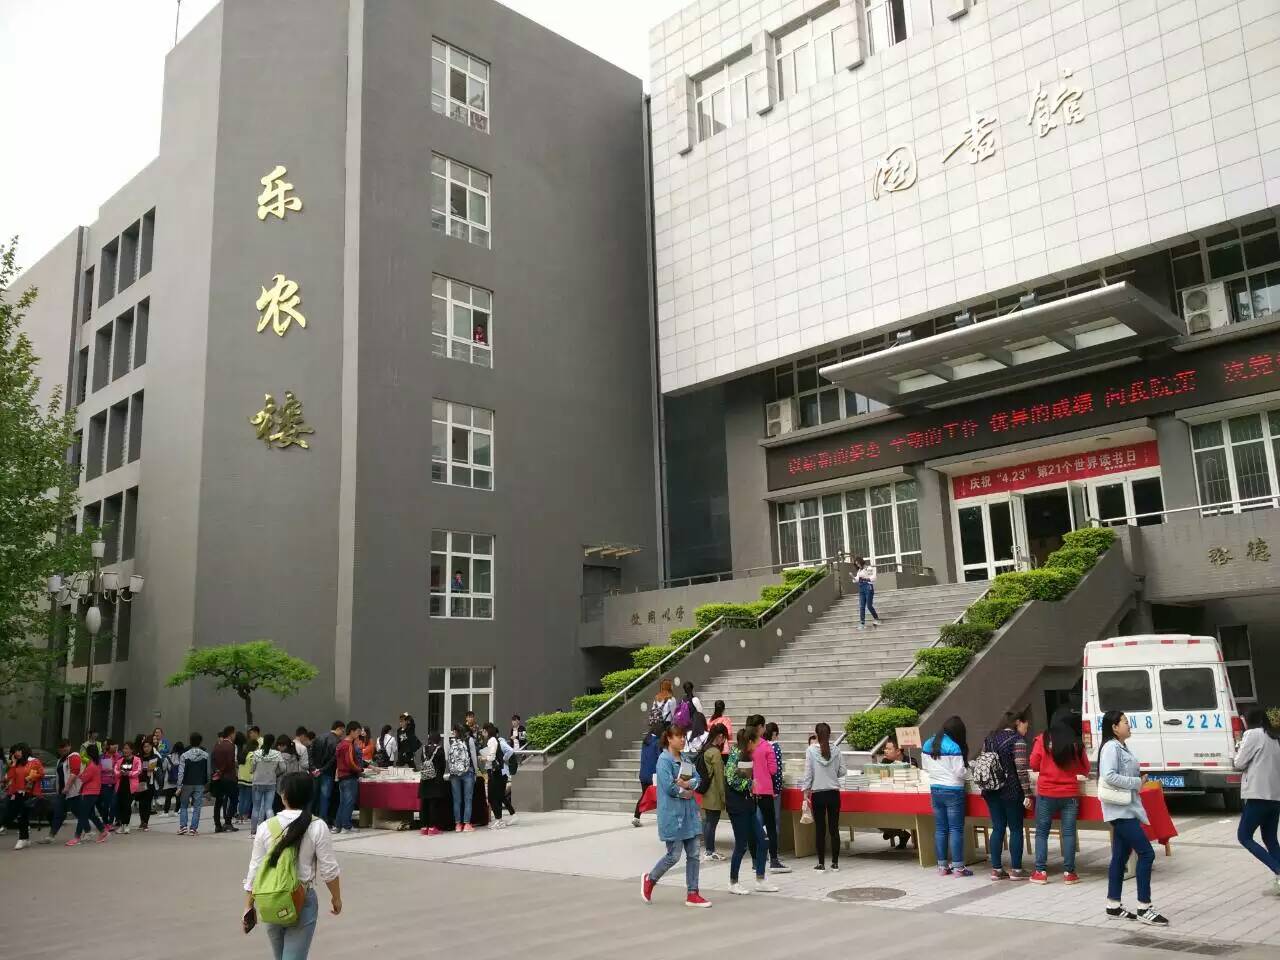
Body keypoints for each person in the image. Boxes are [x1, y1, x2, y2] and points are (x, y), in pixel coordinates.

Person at [243, 772, 342, 959]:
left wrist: (248, 906)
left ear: (283, 795)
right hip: (301, 898)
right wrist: (336, 898)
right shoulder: (318, 826)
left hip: (269, 897)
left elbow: (254, 869)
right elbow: (329, 870)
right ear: (310, 797)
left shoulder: (265, 827)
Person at [1098, 710, 1168, 925]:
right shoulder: (1111, 747)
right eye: (1125, 722)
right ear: (1114, 727)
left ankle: (1113, 905)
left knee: (1120, 857)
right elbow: (1108, 775)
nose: (1129, 725)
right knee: (1146, 853)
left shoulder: (1121, 746)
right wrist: (1136, 783)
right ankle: (1144, 907)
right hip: (1120, 811)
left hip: (1126, 809)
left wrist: (1138, 780)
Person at [640, 725, 710, 908]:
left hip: (690, 814)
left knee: (694, 854)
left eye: (683, 736)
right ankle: (650, 879)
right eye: (678, 736)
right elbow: (669, 787)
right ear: (669, 739)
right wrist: (685, 790)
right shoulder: (664, 760)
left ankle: (693, 893)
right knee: (674, 855)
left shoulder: (686, 758)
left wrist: (687, 784)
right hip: (673, 815)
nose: (682, 739)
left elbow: (698, 779)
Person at [1029, 707, 1089, 884]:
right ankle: (1069, 873)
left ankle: (1040, 872)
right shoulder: (1075, 743)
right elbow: (1085, 768)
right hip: (1070, 794)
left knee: (1042, 833)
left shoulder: (1042, 739)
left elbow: (1034, 763)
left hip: (1046, 793)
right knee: (1069, 833)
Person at [723, 728, 777, 895]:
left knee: (763, 840)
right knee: (741, 845)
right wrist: (749, 784)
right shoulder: (735, 755)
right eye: (756, 742)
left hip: (749, 805)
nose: (757, 745)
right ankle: (733, 882)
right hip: (737, 807)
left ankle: (760, 879)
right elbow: (731, 780)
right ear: (749, 742)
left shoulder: (747, 756)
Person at [981, 708, 1033, 880]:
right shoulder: (1017, 740)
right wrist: (1027, 793)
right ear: (1018, 722)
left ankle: (996, 869)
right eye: (1026, 725)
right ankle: (1016, 870)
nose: (1026, 729)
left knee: (997, 828)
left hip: (991, 790)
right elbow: (1021, 769)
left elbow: (984, 763)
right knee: (1016, 829)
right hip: (1011, 790)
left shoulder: (990, 738)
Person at [1234, 707, 1280, 892]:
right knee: (1270, 839)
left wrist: (1238, 748)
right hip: (1275, 797)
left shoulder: (1252, 734)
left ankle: (1278, 870)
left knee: (1244, 836)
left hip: (1257, 795)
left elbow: (1239, 763)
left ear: (1248, 720)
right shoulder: (1274, 737)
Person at [922, 716, 970, 877]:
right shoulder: (954, 746)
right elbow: (959, 772)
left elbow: (926, 767)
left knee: (941, 828)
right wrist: (969, 773)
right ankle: (958, 868)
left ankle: (942, 866)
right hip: (953, 790)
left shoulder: (928, 743)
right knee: (955, 829)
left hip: (935, 789)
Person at [801, 722, 848, 871]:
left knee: (820, 830)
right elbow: (843, 771)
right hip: (833, 793)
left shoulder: (810, 750)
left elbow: (808, 773)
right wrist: (832, 774)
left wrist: (805, 791)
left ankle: (821, 863)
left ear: (816, 734)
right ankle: (835, 863)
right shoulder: (836, 750)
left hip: (818, 794)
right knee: (834, 829)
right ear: (829, 734)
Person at [750, 715, 789, 873]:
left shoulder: (747, 745)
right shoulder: (767, 746)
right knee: (771, 825)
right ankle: (773, 859)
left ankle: (755, 860)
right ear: (760, 727)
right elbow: (773, 770)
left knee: (754, 823)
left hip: (750, 790)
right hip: (765, 789)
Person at [876, 737, 917, 849]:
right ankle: (897, 832)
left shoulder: (910, 761)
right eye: (885, 749)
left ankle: (893, 830)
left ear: (898, 751)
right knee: (874, 812)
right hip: (888, 798)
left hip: (906, 799)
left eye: (889, 749)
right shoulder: (885, 761)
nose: (885, 751)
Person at [3, 744, 44, 849]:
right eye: (15, 752)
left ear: (24, 751)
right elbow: (9, 776)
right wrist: (13, 764)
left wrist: (32, 777)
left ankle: (23, 839)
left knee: (22, 815)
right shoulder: (17, 763)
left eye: (18, 751)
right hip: (16, 793)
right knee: (15, 815)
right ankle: (24, 838)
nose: (16, 753)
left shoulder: (34, 761)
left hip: (28, 793)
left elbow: (41, 774)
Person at [67, 742, 108, 845]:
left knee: (82, 815)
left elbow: (83, 778)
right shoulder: (95, 764)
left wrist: (80, 774)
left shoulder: (91, 766)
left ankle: (77, 837)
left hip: (90, 792)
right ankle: (103, 831)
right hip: (92, 792)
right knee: (90, 814)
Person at [700, 724, 728, 860]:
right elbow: (719, 777)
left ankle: (708, 850)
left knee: (708, 822)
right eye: (724, 738)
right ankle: (710, 851)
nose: (724, 741)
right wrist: (724, 797)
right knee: (712, 823)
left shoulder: (705, 748)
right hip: (714, 792)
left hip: (706, 791)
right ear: (720, 736)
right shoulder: (715, 753)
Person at [45, 739, 81, 843]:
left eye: (65, 746)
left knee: (79, 813)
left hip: (73, 792)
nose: (63, 749)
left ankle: (89, 831)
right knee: (58, 813)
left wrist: (67, 787)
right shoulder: (60, 760)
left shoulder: (74, 756)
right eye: (61, 747)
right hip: (62, 792)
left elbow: (74, 773)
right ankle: (51, 835)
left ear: (69, 746)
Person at [481, 723, 515, 828]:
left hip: (496, 772)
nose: (482, 733)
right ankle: (499, 820)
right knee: (496, 796)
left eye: (483, 731)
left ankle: (499, 820)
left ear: (487, 731)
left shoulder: (492, 740)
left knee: (494, 797)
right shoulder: (493, 740)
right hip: (496, 772)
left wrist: (484, 758)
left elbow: (491, 757)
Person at [763, 721, 787, 870]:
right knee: (774, 821)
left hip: (762, 789)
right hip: (773, 790)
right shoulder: (775, 748)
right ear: (774, 734)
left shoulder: (761, 746)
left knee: (763, 820)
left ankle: (763, 849)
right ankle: (773, 851)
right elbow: (776, 771)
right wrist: (777, 788)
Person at [176, 734, 210, 836]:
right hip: (200, 783)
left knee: (184, 805)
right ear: (200, 742)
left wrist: (179, 786)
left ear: (190, 741)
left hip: (187, 783)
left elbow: (181, 772)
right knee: (197, 807)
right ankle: (193, 829)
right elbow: (208, 772)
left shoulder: (184, 755)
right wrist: (207, 783)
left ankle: (183, 826)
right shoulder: (205, 755)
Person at [447, 722, 479, 832]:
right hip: (468, 772)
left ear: (455, 731)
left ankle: (457, 825)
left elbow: (449, 757)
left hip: (454, 774)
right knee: (467, 799)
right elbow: (473, 756)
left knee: (457, 800)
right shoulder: (469, 740)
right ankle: (466, 824)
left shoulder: (451, 741)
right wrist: (476, 771)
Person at [309, 721, 343, 825]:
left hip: (315, 772)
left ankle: (310, 818)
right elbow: (334, 759)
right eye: (342, 730)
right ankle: (322, 820)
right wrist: (323, 769)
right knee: (325, 797)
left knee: (314, 796)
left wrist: (314, 768)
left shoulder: (318, 738)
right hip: (327, 773)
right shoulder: (338, 741)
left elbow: (310, 754)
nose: (342, 733)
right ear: (338, 728)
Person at [250, 734, 285, 833]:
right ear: (273, 742)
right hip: (271, 782)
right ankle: (272, 831)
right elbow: (283, 768)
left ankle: (253, 831)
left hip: (257, 782)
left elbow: (252, 768)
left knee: (256, 808)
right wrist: (275, 773)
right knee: (269, 808)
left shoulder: (256, 753)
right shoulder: (277, 754)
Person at [416, 734, 449, 835]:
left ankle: (423, 827)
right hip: (435, 780)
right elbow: (442, 766)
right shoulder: (439, 749)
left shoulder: (424, 749)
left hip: (424, 780)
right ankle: (432, 827)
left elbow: (422, 761)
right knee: (433, 804)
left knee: (424, 803)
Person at [632, 720, 664, 827]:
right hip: (653, 775)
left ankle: (636, 817)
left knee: (644, 796)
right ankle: (662, 817)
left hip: (643, 774)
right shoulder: (658, 742)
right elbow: (660, 758)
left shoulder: (646, 740)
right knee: (661, 796)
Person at [334, 721, 364, 834]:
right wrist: (359, 769)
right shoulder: (349, 745)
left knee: (342, 802)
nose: (358, 734)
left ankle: (338, 826)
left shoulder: (340, 744)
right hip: (349, 776)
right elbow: (350, 762)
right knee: (349, 802)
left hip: (341, 776)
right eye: (357, 731)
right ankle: (346, 826)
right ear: (351, 731)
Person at [211, 725, 240, 833]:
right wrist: (224, 771)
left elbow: (213, 760)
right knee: (234, 799)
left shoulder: (217, 745)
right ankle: (228, 822)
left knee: (218, 801)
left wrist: (217, 771)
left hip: (218, 777)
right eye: (234, 733)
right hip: (229, 776)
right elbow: (230, 762)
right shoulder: (231, 746)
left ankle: (217, 825)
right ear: (231, 734)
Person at [113, 741, 142, 833]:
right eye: (124, 748)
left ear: (131, 750)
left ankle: (127, 824)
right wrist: (120, 773)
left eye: (127, 748)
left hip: (130, 786)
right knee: (120, 805)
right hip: (120, 785)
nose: (125, 750)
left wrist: (129, 773)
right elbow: (115, 770)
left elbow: (138, 771)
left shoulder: (137, 760)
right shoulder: (120, 760)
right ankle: (121, 824)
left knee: (127, 805)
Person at [136, 739, 160, 831]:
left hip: (150, 782)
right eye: (145, 747)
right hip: (141, 782)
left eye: (148, 746)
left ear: (151, 747)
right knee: (141, 802)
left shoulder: (155, 757)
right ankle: (142, 821)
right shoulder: (139, 757)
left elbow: (160, 767)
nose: (146, 748)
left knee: (147, 802)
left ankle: (146, 822)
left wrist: (154, 769)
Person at [853, 556, 881, 628]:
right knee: (861, 606)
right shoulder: (859, 571)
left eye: (858, 563)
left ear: (861, 562)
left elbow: (873, 577)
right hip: (861, 588)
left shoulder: (868, 568)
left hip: (868, 587)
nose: (858, 565)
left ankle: (876, 618)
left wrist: (865, 579)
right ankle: (862, 623)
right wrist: (854, 578)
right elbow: (857, 579)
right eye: (856, 564)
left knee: (869, 605)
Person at [237, 730, 257, 824]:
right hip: (249, 779)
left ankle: (240, 816)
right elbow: (253, 767)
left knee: (241, 798)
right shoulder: (252, 755)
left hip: (241, 779)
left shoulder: (243, 754)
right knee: (248, 799)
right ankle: (245, 816)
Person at [98, 739, 119, 827]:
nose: (114, 746)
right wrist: (106, 769)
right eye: (112, 745)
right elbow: (98, 768)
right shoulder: (102, 757)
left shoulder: (118, 756)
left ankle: (111, 821)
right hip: (105, 783)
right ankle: (105, 821)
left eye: (115, 745)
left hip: (116, 782)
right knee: (105, 803)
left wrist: (115, 769)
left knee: (114, 803)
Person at [161, 740, 185, 814]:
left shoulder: (168, 757)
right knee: (179, 797)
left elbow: (163, 768)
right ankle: (176, 811)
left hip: (169, 781)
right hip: (179, 781)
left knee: (168, 797)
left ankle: (166, 812)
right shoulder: (183, 757)